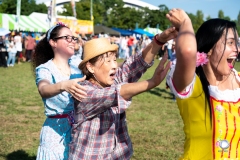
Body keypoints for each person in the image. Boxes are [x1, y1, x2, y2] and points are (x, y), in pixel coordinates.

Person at [69, 25, 178, 159]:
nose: (114, 65)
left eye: (114, 60)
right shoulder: (83, 92)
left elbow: (136, 63)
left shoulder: (110, 80)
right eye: (108, 61)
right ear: (90, 67)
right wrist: (152, 83)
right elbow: (118, 92)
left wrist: (159, 40)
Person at [166, 9, 240, 159]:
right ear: (210, 48)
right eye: (231, 43)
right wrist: (186, 23)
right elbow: (187, 51)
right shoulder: (191, 83)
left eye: (237, 43)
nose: (237, 49)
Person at [32, 22, 87, 160]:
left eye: (73, 38)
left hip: (80, 128)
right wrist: (63, 85)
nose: (72, 41)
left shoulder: (76, 63)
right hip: (55, 132)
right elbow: (43, 89)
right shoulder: (45, 69)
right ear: (53, 42)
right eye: (67, 37)